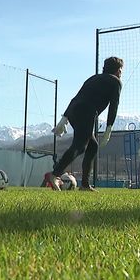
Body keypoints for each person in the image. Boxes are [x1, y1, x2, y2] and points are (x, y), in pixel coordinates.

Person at [46, 56, 124, 191]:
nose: (121, 73)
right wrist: (109, 127)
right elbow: (114, 106)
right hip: (87, 112)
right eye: (121, 70)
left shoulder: (93, 78)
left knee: (92, 146)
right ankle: (54, 174)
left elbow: (76, 97)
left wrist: (65, 117)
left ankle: (85, 185)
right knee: (80, 146)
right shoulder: (116, 81)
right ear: (117, 70)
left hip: (74, 111)